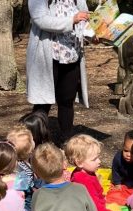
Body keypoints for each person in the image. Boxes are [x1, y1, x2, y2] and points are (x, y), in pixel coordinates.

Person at [26, 0, 90, 141]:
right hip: (48, 57)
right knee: (42, 102)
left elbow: (85, 19)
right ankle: (34, 143)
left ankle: (66, 142)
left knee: (67, 100)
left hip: (72, 55)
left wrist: (93, 34)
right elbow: (40, 19)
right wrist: (72, 20)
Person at [65, 134, 120, 211]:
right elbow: (95, 207)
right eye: (94, 159)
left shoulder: (84, 172)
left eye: (98, 157)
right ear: (79, 163)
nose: (99, 161)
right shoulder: (83, 180)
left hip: (96, 209)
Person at [105, 130, 133, 205]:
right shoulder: (118, 157)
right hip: (123, 182)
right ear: (123, 147)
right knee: (113, 195)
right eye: (126, 150)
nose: (128, 155)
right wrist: (117, 183)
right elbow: (115, 171)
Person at [7, 125, 42, 211]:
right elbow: (33, 189)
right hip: (26, 205)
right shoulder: (27, 171)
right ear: (30, 149)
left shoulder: (10, 163)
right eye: (32, 139)